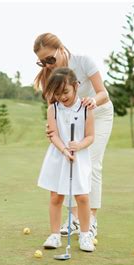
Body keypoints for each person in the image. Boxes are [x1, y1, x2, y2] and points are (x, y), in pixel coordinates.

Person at [33, 32, 114, 238]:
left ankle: (91, 220)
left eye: (50, 59)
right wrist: (52, 129)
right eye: (42, 62)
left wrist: (94, 101)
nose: (48, 65)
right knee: (68, 162)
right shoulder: (50, 76)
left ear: (61, 49)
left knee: (90, 164)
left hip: (99, 112)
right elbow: (55, 110)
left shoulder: (83, 61)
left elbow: (103, 92)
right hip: (71, 120)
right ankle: (75, 219)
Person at [37, 67, 95, 252]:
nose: (62, 97)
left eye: (65, 92)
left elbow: (90, 136)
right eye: (57, 93)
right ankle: (54, 235)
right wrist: (64, 149)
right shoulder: (53, 109)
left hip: (79, 156)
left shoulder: (87, 108)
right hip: (58, 155)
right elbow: (53, 134)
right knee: (56, 197)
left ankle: (85, 235)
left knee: (83, 197)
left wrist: (78, 146)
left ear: (76, 86)